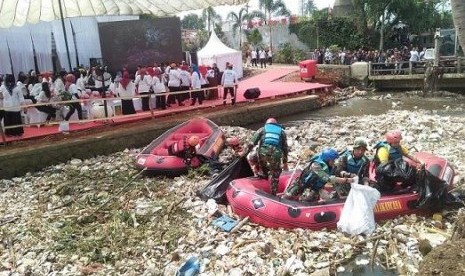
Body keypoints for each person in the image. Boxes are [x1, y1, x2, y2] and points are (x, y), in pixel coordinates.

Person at [283, 148, 355, 201]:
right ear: (327, 160)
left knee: (307, 198)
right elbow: (326, 178)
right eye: (333, 160)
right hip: (301, 184)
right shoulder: (316, 165)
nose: (334, 162)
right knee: (288, 195)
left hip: (314, 188)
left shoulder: (331, 166)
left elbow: (338, 171)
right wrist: (345, 180)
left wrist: (347, 175)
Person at [249, 118, 289, 196]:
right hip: (276, 154)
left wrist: (243, 154)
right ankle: (273, 194)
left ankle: (263, 174)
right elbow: (285, 148)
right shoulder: (281, 132)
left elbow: (251, 144)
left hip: (262, 153)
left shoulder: (262, 129)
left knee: (262, 164)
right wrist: (285, 162)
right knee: (275, 174)